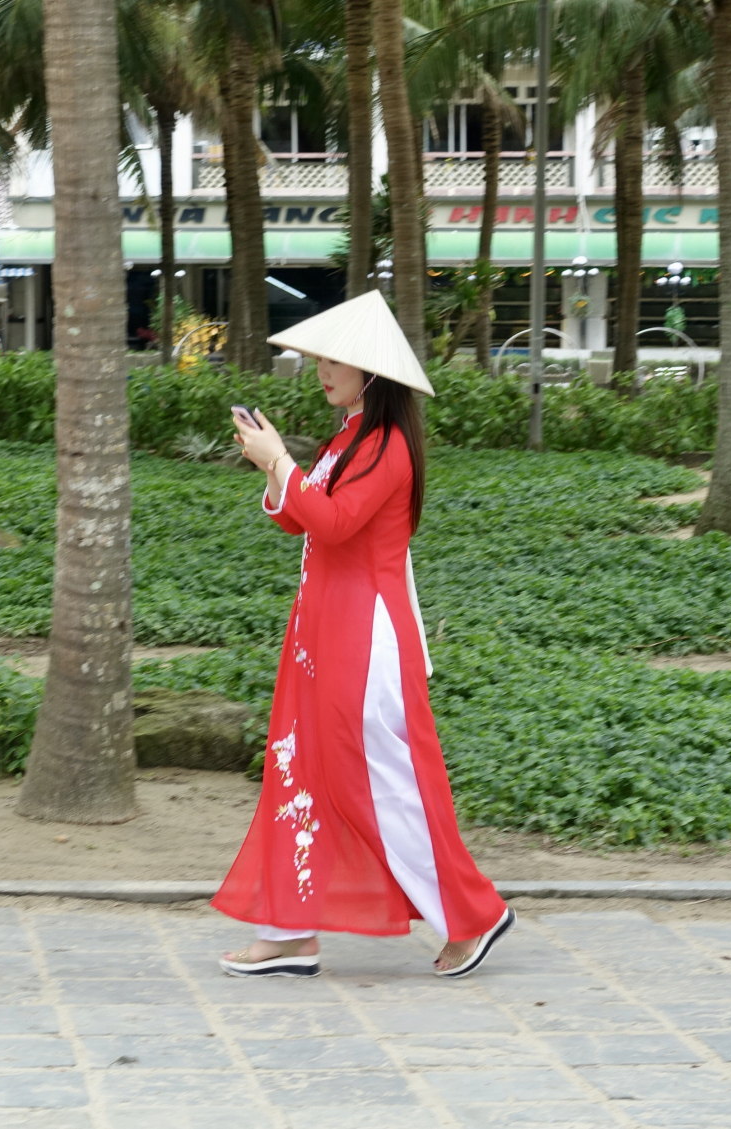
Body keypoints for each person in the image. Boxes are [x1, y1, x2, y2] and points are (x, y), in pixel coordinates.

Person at [213, 289, 514, 979]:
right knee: (304, 770)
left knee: (380, 783)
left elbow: (337, 522)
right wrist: (275, 464)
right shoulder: (348, 435)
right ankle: (289, 931)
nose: (319, 367)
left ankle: (472, 913)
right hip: (322, 629)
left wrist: (280, 463)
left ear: (370, 371)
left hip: (365, 637)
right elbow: (300, 516)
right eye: (317, 355)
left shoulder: (388, 446)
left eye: (333, 358)